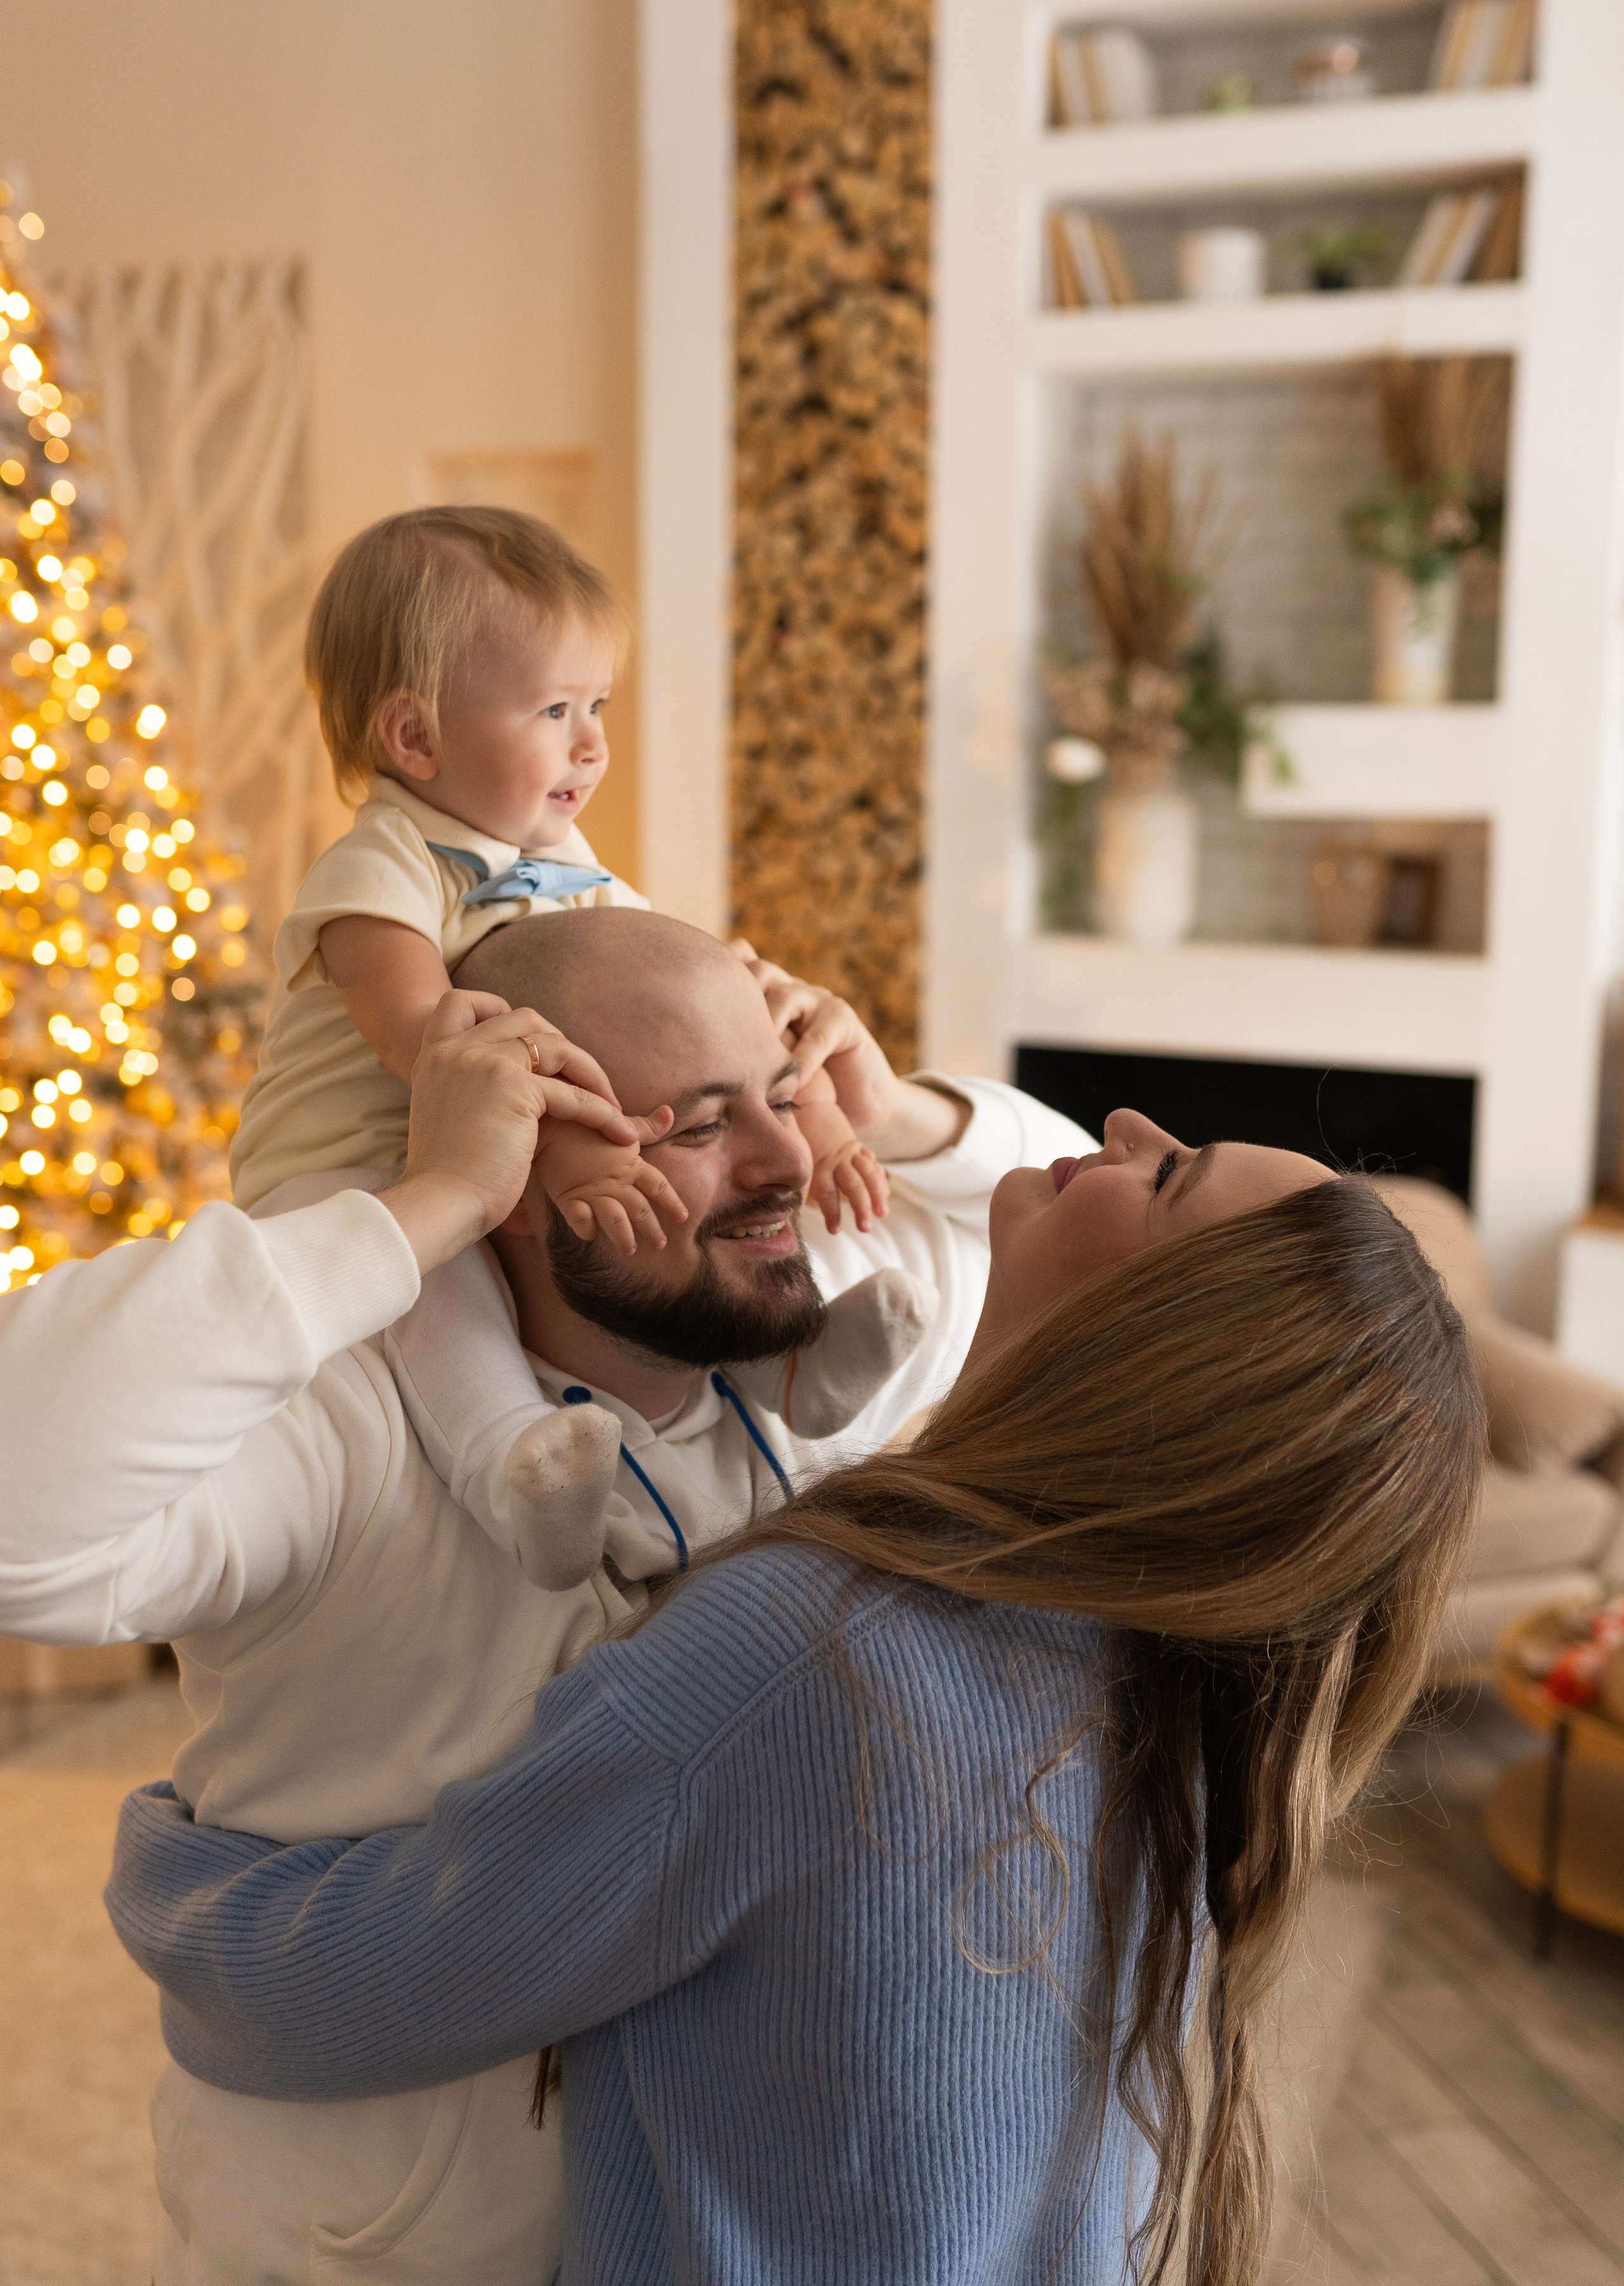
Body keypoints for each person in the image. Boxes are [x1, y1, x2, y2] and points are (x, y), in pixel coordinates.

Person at [103, 992, 1485, 2286]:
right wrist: (882, 1112)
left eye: (1169, 1172)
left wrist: (163, 1847)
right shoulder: (1174, 1696)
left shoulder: (819, 1655)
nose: (1121, 1126)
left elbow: (358, 1982)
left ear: (1152, 1346)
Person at [0, 912, 1087, 2284]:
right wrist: (424, 1206)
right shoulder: (342, 1427)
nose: (783, 1166)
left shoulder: (819, 1350)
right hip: (384, 2244)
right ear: (518, 1158)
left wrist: (893, 1105)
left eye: (782, 1098)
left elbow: (1118, 1218)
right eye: (692, 1127)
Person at [230, 501, 929, 1572]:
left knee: (691, 1237)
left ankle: (793, 1372)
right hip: (354, 1176)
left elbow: (717, 1008)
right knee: (443, 1299)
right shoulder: (380, 872)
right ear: (413, 736)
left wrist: (825, 1122)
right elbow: (435, 1043)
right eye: (556, 709)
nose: (594, 743)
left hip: (487, 1146)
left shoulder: (570, 865)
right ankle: (512, 1465)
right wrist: (580, 1145)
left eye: (597, 703)